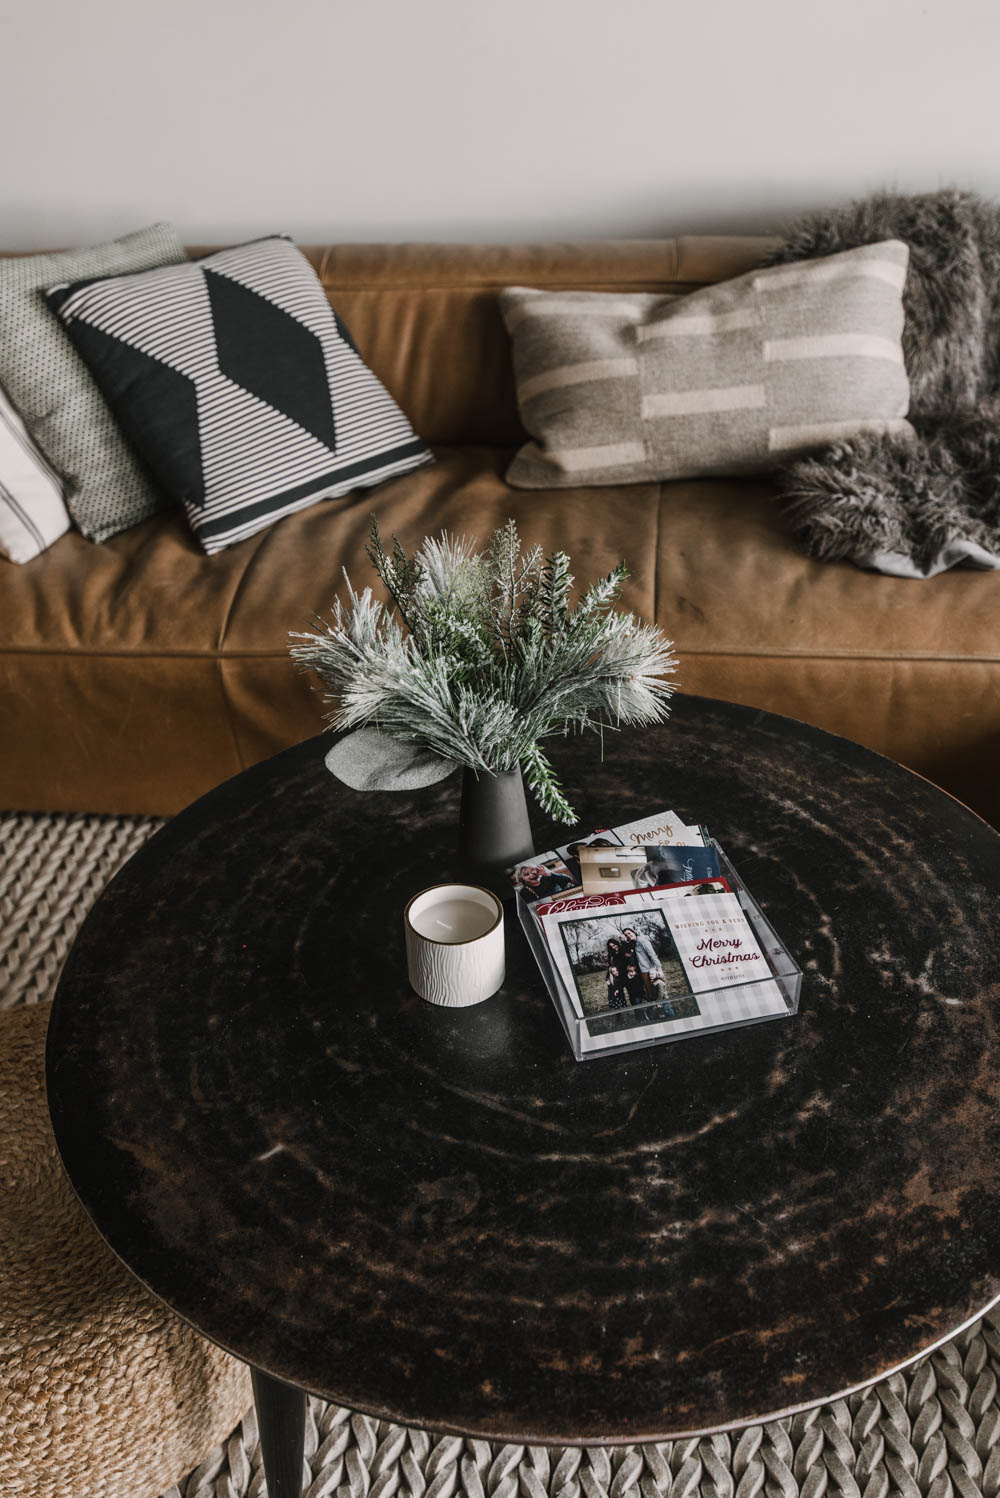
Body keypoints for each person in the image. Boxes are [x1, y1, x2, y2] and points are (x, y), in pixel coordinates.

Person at [622, 925, 668, 1000]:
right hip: (643, 972)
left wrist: (659, 969)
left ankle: (666, 1009)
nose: (628, 936)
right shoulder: (634, 944)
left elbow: (653, 955)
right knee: (651, 993)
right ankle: (658, 1009)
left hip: (650, 971)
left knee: (659, 993)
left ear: (634, 932)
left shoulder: (642, 941)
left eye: (629, 933)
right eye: (626, 935)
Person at [604, 938, 629, 1010]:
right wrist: (608, 977)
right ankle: (617, 1010)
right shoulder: (611, 955)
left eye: (614, 945)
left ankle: (625, 1007)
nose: (614, 947)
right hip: (616, 976)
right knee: (616, 993)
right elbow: (610, 966)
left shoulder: (623, 950)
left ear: (617, 943)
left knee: (628, 992)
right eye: (611, 947)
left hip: (625, 974)